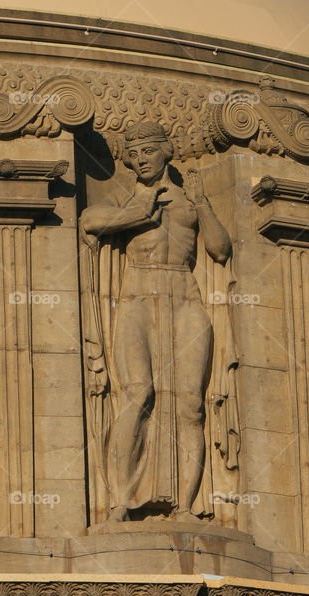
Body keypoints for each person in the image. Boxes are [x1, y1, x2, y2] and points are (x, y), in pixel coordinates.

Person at [80, 121, 232, 522]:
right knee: (137, 394)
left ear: (166, 151)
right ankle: (122, 499)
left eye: (149, 150)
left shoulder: (188, 202)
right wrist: (137, 214)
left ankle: (184, 505)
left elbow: (219, 250)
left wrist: (204, 205)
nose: (142, 159)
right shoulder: (127, 197)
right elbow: (89, 222)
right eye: (134, 154)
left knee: (190, 407)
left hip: (185, 298)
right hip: (137, 298)